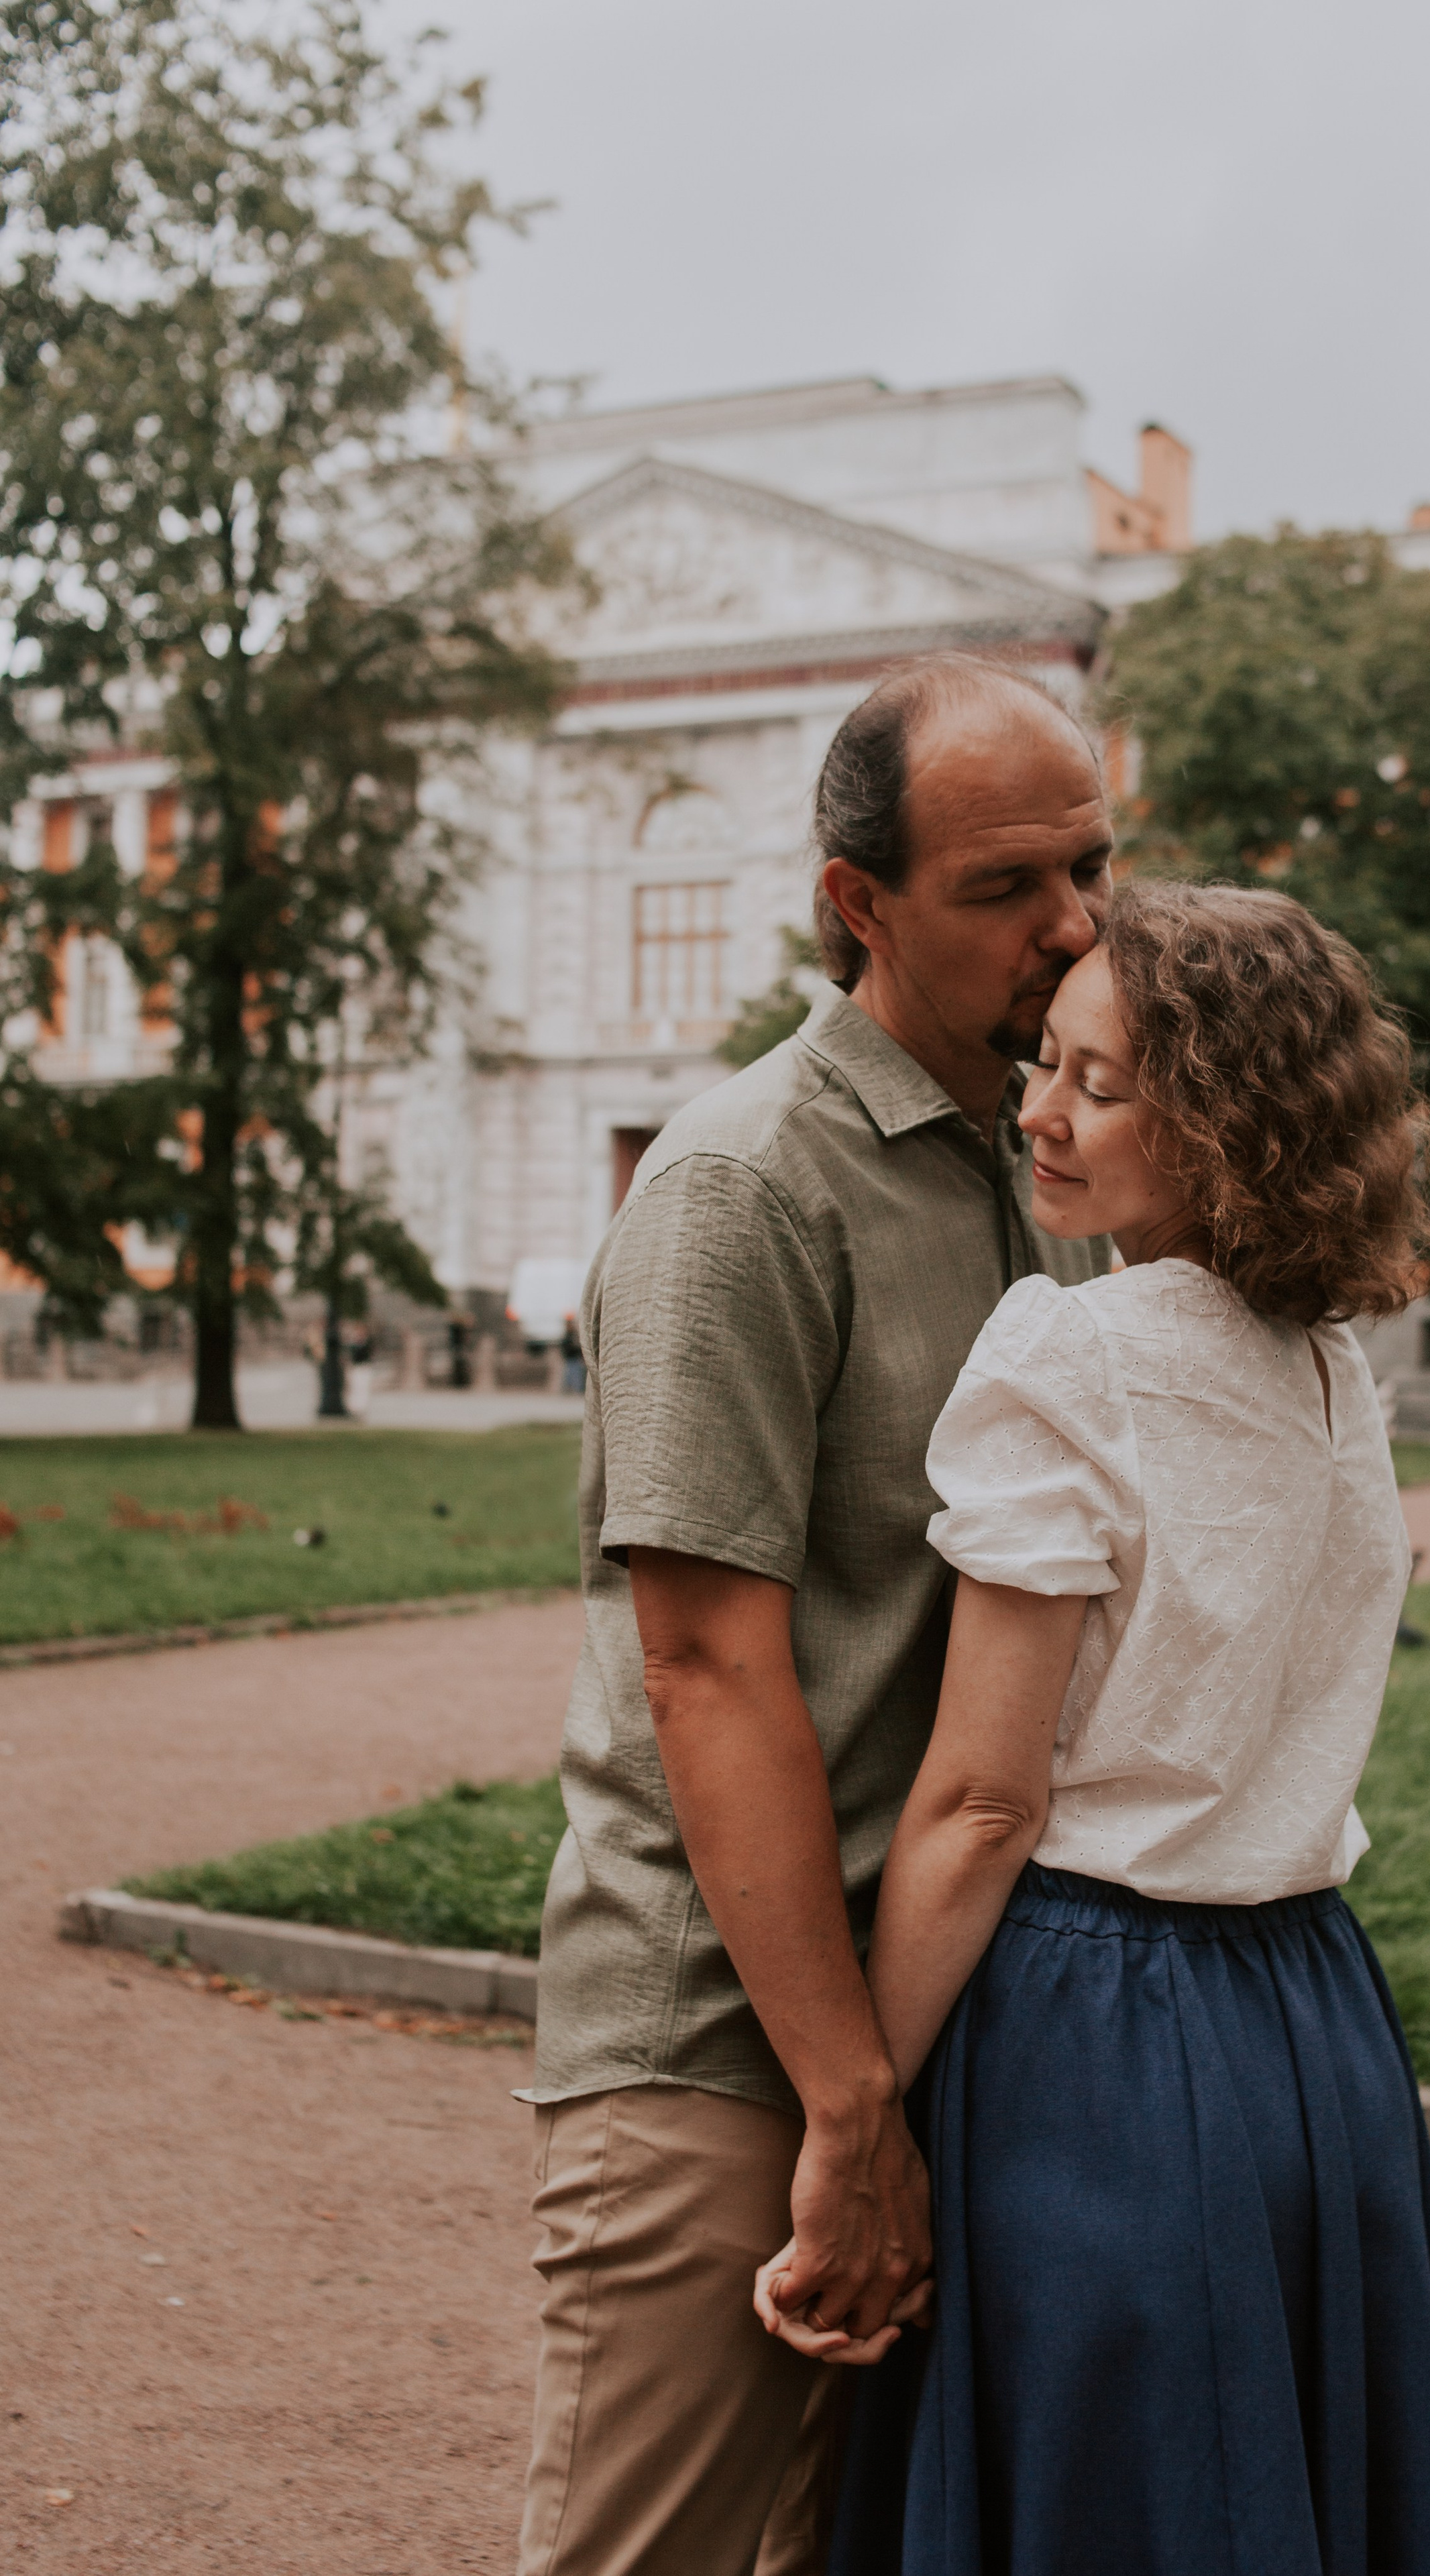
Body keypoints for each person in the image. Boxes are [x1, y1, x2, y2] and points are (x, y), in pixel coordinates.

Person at [759, 882, 1430, 2575]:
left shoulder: (1064, 1351)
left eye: (1094, 1084)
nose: (1034, 1109)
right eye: (1045, 1066)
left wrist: (851, 2106)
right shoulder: (1325, 1366)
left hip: (1096, 2035)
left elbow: (978, 1804)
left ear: (1227, 1126)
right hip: (1312, 2018)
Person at [516, 655, 1115, 2576]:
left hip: (949, 2026)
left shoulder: (1052, 1175)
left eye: (1091, 865)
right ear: (859, 903)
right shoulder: (740, 1189)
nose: (1076, 923)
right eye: (1006, 887)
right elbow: (704, 1665)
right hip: (729, 2047)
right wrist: (846, 2103)